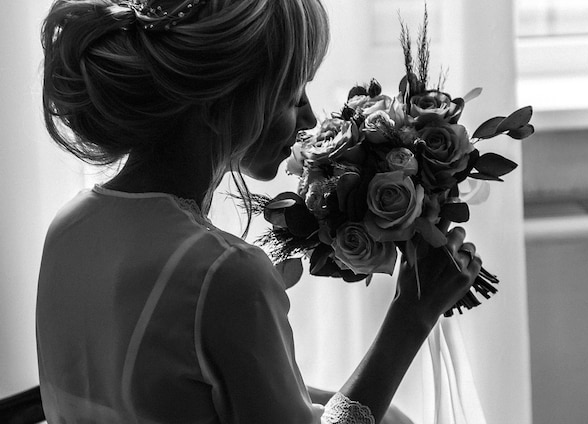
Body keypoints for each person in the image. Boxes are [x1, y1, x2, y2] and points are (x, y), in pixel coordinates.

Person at [36, 0, 482, 423]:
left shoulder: (69, 226)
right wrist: (413, 315)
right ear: (222, 102)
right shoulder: (222, 274)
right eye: (292, 97)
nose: (308, 121)